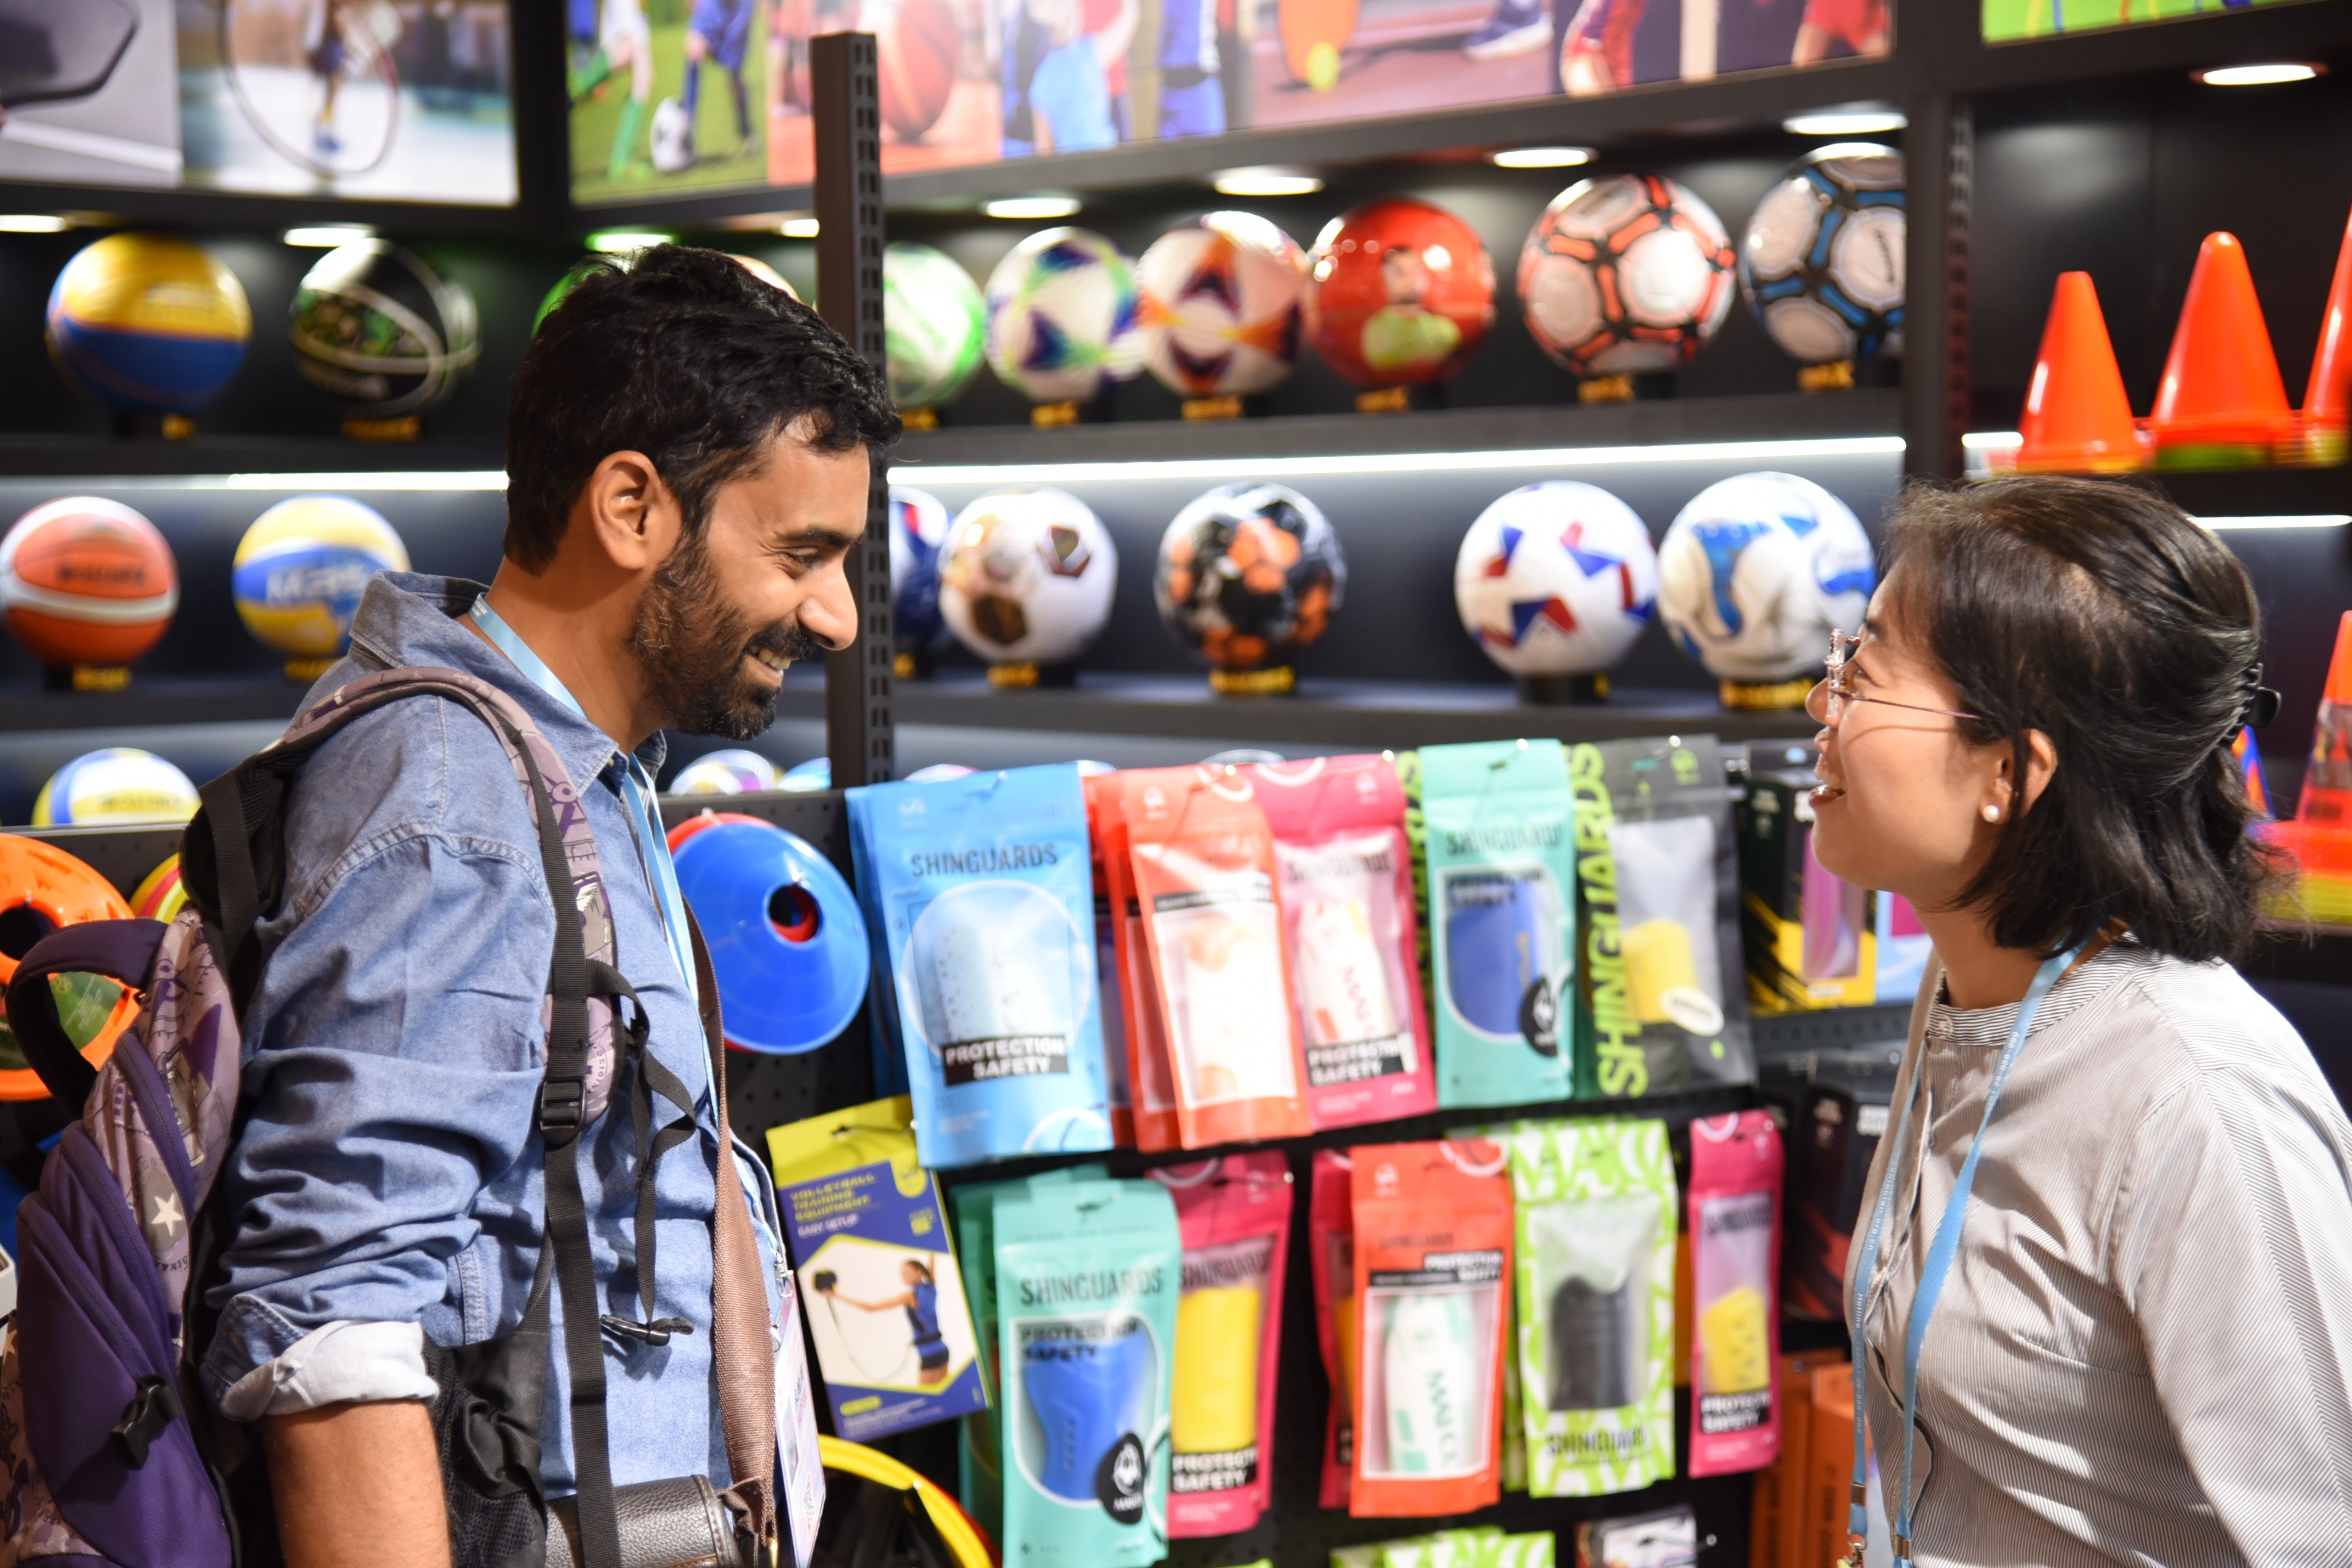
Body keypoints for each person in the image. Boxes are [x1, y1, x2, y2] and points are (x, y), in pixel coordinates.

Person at [201, 246, 898, 1568]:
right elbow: (331, 1320)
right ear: (632, 508)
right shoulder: (454, 806)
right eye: (802, 550)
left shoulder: (578, 771)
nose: (838, 615)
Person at [1812, 476, 2352, 1566]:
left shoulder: (2198, 1100)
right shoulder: (1973, 987)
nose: (1824, 704)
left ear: (2010, 772)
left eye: (1863, 674)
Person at [817, 1258, 953, 1387]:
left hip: (930, 1355)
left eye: (907, 1273)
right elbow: (931, 1264)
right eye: (902, 1274)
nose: (904, 1277)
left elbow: (871, 1308)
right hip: (943, 1351)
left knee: (929, 1398)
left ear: (919, 1271)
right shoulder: (931, 1286)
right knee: (944, 1394)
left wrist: (835, 1296)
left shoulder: (909, 1297)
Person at [682, 0, 759, 164]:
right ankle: (686, 130)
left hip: (739, 13)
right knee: (693, 50)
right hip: (713, 7)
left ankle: (746, 132)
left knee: (735, 77)